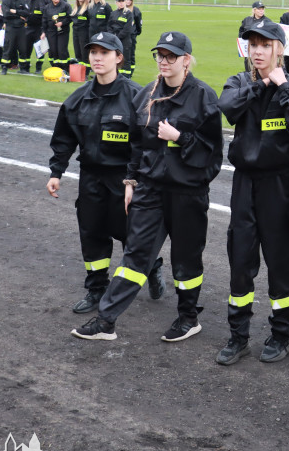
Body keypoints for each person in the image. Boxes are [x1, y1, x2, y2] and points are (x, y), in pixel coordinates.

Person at [72, 32, 223, 342]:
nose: (163, 62)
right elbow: (136, 146)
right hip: (150, 189)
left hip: (187, 192)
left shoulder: (203, 97)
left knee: (186, 258)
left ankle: (188, 317)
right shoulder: (145, 96)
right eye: (159, 55)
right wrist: (131, 180)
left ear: (186, 60)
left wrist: (180, 139)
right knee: (135, 255)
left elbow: (213, 156)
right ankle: (106, 320)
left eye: (170, 56)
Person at [216, 21, 289, 365]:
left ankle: (281, 335)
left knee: (280, 263)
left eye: (265, 44)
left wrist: (283, 87)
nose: (258, 51)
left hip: (281, 184)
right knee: (241, 261)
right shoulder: (239, 82)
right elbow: (228, 107)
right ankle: (238, 336)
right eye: (252, 45)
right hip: (245, 184)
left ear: (279, 48)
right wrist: (262, 84)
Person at [46, 31, 165, 315]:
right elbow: (64, 138)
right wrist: (56, 172)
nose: (97, 58)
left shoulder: (136, 96)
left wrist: (135, 180)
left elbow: (146, 143)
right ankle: (96, 288)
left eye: (105, 52)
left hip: (124, 179)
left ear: (119, 58)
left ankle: (153, 266)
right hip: (91, 178)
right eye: (93, 53)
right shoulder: (78, 99)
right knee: (92, 233)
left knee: (130, 236)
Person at [0, 0, 29, 75]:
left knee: (23, 48)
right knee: (8, 47)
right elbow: (6, 13)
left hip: (21, 28)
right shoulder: (5, 0)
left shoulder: (21, 0)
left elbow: (27, 13)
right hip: (11, 27)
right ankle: (4, 67)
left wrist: (15, 11)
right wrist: (19, 15)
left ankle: (23, 68)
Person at [41, 0, 73, 71]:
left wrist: (62, 23)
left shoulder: (66, 6)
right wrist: (43, 32)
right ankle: (56, 68)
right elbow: (44, 20)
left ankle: (66, 68)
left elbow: (71, 17)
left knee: (62, 50)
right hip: (51, 31)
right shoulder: (47, 7)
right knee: (53, 50)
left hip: (63, 31)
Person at [109, 0, 136, 76]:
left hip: (125, 40)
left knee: (126, 59)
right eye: (119, 1)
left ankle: (126, 77)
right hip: (115, 39)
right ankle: (116, 76)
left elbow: (127, 28)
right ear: (116, 2)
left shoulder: (128, 13)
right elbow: (109, 25)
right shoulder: (113, 13)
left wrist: (117, 36)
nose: (121, 3)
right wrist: (111, 34)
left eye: (122, 1)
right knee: (116, 58)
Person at [24, 0, 45, 73]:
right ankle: (26, 67)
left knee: (40, 50)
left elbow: (45, 16)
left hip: (39, 29)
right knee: (27, 49)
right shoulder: (26, 1)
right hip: (28, 28)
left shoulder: (41, 1)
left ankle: (38, 68)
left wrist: (44, 30)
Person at [71, 0, 92, 65]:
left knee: (84, 52)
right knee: (77, 51)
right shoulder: (75, 8)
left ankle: (86, 71)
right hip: (75, 32)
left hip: (84, 32)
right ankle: (79, 70)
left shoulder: (88, 7)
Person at [124, 0, 143, 77]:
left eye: (130, 0)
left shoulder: (136, 11)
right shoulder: (121, 10)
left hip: (131, 36)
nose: (128, 1)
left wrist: (135, 33)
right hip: (122, 36)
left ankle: (130, 72)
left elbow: (139, 24)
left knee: (131, 54)